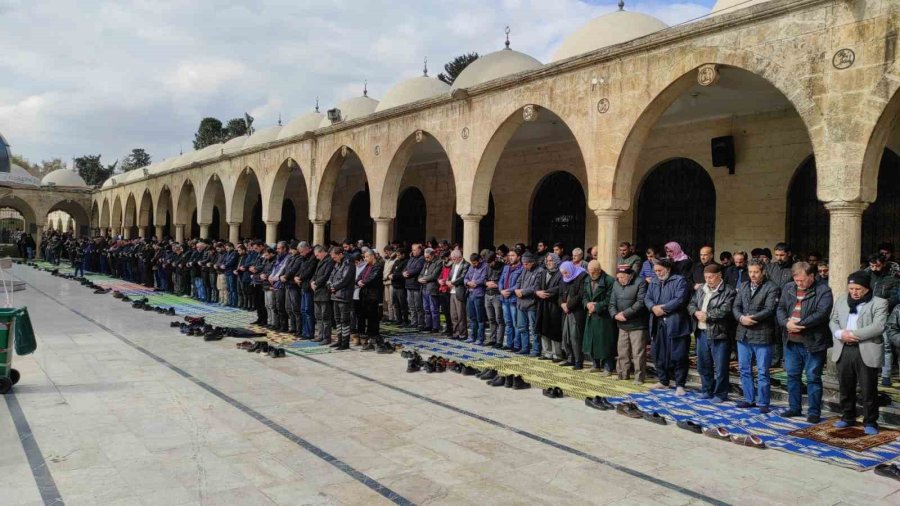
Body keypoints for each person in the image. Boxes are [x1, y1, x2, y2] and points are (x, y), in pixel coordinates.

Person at [829, 271, 889, 434]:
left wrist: (854, 335)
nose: (854, 292)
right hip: (844, 347)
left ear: (867, 288)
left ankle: (870, 421)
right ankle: (847, 417)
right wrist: (840, 334)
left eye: (858, 289)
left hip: (866, 348)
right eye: (851, 288)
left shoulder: (879, 303)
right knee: (845, 385)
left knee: (868, 388)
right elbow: (833, 320)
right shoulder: (842, 299)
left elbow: (878, 326)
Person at [776, 262, 834, 423]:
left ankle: (814, 412)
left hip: (813, 342)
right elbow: (780, 308)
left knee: (813, 377)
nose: (799, 283)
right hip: (791, 341)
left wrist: (800, 325)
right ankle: (794, 408)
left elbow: (822, 313)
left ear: (811, 276)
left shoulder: (823, 290)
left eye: (802, 280)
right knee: (792, 375)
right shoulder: (788, 288)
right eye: (797, 280)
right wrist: (786, 324)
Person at [733, 259, 780, 412]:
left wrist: (751, 319)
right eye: (750, 272)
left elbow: (769, 309)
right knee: (744, 369)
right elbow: (736, 306)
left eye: (756, 272)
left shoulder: (771, 287)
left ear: (763, 272)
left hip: (762, 334)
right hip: (743, 334)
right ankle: (749, 398)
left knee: (762, 371)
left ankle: (763, 402)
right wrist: (741, 318)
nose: (752, 275)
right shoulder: (744, 285)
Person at [688, 264, 736, 402]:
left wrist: (708, 316)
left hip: (719, 333)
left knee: (721, 366)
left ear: (719, 275)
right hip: (701, 332)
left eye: (711, 277)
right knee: (703, 364)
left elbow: (726, 310)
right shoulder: (701, 289)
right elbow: (691, 304)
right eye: (706, 277)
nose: (708, 280)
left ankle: (721, 393)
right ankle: (706, 390)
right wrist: (695, 312)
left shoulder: (728, 290)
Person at [645, 258, 691, 395]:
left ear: (668, 269)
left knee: (678, 354)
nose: (657, 273)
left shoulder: (679, 280)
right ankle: (663, 381)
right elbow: (647, 298)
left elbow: (680, 299)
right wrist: (653, 307)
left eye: (659, 270)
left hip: (676, 323)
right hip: (657, 322)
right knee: (657, 352)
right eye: (655, 271)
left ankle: (680, 384)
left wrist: (663, 308)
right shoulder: (654, 281)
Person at [609, 266, 648, 383]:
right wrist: (615, 315)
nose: (620, 279)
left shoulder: (640, 282)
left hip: (637, 324)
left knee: (638, 353)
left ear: (629, 275)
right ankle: (622, 374)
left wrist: (625, 314)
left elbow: (641, 303)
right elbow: (612, 303)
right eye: (618, 277)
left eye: (622, 277)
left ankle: (639, 377)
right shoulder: (616, 284)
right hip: (621, 323)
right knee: (622, 351)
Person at [583, 260, 617, 375]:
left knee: (605, 343)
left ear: (599, 270)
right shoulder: (587, 279)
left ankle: (608, 367)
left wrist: (597, 306)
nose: (591, 275)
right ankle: (596, 364)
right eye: (589, 272)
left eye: (593, 272)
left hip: (604, 317)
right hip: (591, 315)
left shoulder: (609, 280)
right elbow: (584, 296)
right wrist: (587, 304)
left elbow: (610, 299)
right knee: (593, 341)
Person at [559, 261, 588, 369]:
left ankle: (578, 361)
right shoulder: (563, 279)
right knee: (565, 336)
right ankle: (570, 358)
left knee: (575, 337)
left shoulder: (581, 276)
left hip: (576, 312)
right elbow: (560, 294)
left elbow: (580, 295)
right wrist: (562, 304)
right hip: (566, 311)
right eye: (563, 273)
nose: (565, 275)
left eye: (566, 273)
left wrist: (568, 305)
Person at [515, 252, 543, 356]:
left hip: (532, 304)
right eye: (523, 264)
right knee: (522, 328)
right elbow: (518, 282)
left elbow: (536, 287)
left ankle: (536, 350)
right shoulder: (523, 270)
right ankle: (525, 347)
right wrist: (517, 290)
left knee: (534, 329)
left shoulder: (540, 271)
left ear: (532, 262)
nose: (524, 266)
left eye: (526, 264)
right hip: (521, 303)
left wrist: (522, 292)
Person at [357, 249, 385, 351]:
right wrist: (358, 282)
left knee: (373, 318)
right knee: (365, 316)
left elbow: (371, 278)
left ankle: (374, 339)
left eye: (367, 257)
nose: (365, 259)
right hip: (364, 295)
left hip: (373, 296)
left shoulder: (377, 266)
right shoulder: (366, 266)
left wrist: (362, 282)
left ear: (372, 256)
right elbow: (359, 277)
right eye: (364, 257)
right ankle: (369, 339)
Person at [328, 246, 355, 350]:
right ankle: (339, 341)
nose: (333, 259)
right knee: (337, 319)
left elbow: (345, 279)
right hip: (335, 295)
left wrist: (334, 286)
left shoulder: (349, 263)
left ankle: (345, 343)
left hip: (344, 295)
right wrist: (330, 284)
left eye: (335, 257)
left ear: (340, 254)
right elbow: (331, 275)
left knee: (345, 320)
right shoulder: (338, 263)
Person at [537, 253, 563, 360]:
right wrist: (538, 292)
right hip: (543, 305)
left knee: (554, 330)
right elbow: (537, 285)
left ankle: (557, 354)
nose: (548, 263)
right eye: (547, 261)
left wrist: (545, 292)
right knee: (544, 328)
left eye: (551, 260)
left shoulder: (560, 273)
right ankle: (547, 353)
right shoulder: (544, 273)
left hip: (554, 305)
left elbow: (560, 288)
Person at [499, 249, 524, 351]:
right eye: (509, 255)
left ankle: (517, 345)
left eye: (513, 255)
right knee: (508, 323)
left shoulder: (522, 269)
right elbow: (501, 280)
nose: (510, 257)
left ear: (518, 257)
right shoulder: (506, 267)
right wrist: (501, 291)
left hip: (513, 298)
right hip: (504, 298)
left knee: (516, 323)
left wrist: (507, 291)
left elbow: (518, 284)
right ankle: (509, 344)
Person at [311, 245, 334, 344]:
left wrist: (316, 283)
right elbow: (315, 274)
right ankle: (320, 335)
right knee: (318, 316)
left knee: (325, 316)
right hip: (317, 292)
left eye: (317, 255)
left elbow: (326, 275)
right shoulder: (320, 261)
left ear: (322, 252)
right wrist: (312, 281)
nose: (316, 257)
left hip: (324, 292)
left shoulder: (329, 261)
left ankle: (326, 337)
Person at [464, 253, 488, 344]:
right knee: (472, 317)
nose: (474, 265)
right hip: (470, 294)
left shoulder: (484, 267)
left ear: (479, 260)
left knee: (480, 318)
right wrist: (468, 283)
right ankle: (472, 337)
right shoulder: (471, 267)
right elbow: (465, 278)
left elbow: (484, 279)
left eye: (475, 263)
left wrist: (476, 283)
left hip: (479, 294)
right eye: (472, 263)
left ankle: (480, 338)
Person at [484, 253, 506, 347]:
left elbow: (504, 280)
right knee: (491, 318)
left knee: (499, 319)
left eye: (491, 262)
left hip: (497, 294)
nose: (489, 265)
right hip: (487, 294)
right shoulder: (488, 266)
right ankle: (492, 339)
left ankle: (499, 341)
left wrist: (496, 284)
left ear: (495, 259)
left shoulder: (503, 267)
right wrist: (486, 283)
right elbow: (484, 278)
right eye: (488, 263)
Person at [447, 250, 470, 340]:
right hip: (452, 291)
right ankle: (455, 333)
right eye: (452, 259)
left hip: (459, 291)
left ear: (460, 257)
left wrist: (452, 283)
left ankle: (463, 334)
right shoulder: (453, 264)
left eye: (454, 259)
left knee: (461, 315)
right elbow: (450, 275)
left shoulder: (466, 264)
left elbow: (463, 277)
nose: (453, 260)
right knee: (453, 315)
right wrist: (448, 281)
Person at [419, 248, 443, 333]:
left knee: (434, 308)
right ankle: (428, 325)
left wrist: (424, 279)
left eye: (428, 257)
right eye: (425, 257)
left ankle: (435, 326)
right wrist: (419, 279)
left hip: (432, 288)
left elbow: (434, 275)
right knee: (426, 308)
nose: (426, 259)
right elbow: (421, 273)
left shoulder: (439, 262)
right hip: (424, 287)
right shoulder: (426, 262)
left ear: (433, 255)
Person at [404, 244, 425, 330]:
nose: (413, 251)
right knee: (411, 305)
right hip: (408, 284)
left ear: (420, 250)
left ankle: (420, 323)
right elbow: (405, 268)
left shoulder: (422, 259)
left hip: (416, 285)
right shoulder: (411, 258)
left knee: (418, 306)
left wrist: (408, 273)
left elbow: (418, 269)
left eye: (415, 250)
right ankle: (413, 322)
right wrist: (403, 272)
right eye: (413, 250)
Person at [390, 248, 410, 326]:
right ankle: (399, 319)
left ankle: (405, 320)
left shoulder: (406, 262)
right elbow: (392, 271)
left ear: (403, 254)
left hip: (401, 286)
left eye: (399, 255)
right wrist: (390, 275)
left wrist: (394, 276)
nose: (397, 256)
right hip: (394, 285)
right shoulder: (396, 261)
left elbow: (403, 274)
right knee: (395, 304)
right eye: (397, 255)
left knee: (403, 304)